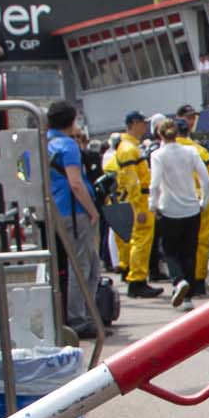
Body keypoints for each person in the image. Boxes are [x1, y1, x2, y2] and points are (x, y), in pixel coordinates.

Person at [39, 97, 106, 338]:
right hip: (74, 212)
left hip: (53, 212)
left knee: (70, 266)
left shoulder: (41, 144)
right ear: (72, 121)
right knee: (84, 267)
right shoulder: (67, 146)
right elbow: (76, 183)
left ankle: (73, 315)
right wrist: (93, 210)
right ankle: (80, 319)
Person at [150, 117, 209, 305]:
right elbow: (207, 180)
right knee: (189, 252)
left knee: (170, 251)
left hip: (169, 209)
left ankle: (178, 280)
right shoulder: (191, 152)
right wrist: (204, 201)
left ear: (159, 134)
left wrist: (153, 205)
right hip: (192, 208)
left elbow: (154, 184)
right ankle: (188, 298)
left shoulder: (158, 155)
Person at [111, 110, 158, 296]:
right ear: (133, 124)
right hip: (138, 201)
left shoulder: (129, 147)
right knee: (141, 240)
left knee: (139, 240)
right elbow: (132, 180)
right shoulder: (129, 149)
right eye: (142, 123)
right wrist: (139, 206)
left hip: (137, 200)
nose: (145, 126)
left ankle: (137, 278)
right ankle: (137, 280)